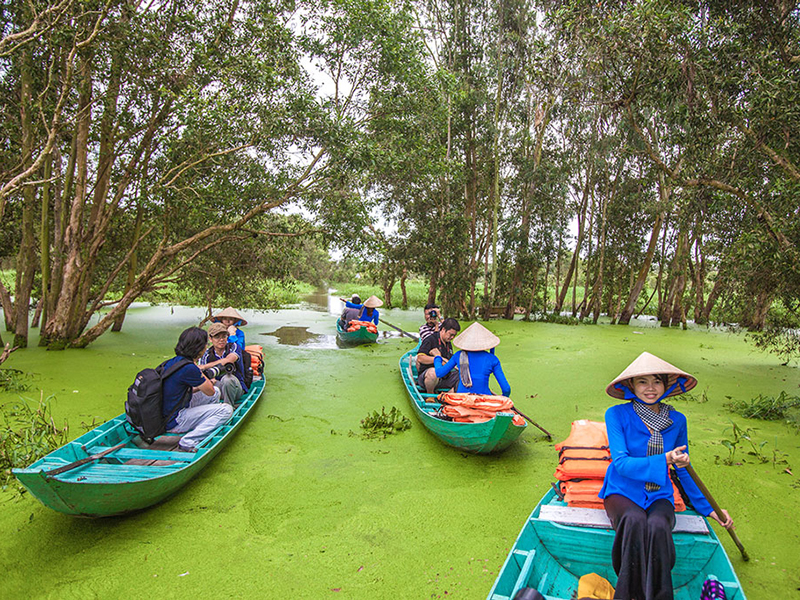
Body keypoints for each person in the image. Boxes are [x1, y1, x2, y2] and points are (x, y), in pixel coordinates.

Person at [599, 352, 734, 600]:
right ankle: (628, 595)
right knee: (634, 520)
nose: (650, 388)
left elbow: (683, 469)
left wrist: (711, 510)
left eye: (657, 381)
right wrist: (666, 459)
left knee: (659, 525)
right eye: (642, 382)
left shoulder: (677, 420)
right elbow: (621, 464)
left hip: (658, 493)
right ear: (631, 385)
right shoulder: (616, 415)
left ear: (666, 385)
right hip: (622, 490)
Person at [162, 327, 233, 452]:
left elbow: (183, 389)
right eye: (205, 344)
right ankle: (188, 440)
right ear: (199, 347)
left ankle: (204, 424)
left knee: (217, 393)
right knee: (226, 410)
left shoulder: (172, 362)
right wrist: (206, 379)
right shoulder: (189, 367)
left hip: (165, 413)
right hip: (174, 421)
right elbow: (209, 390)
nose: (206, 347)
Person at [433, 321, 511, 396]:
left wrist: (437, 358)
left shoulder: (459, 355)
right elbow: (506, 389)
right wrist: (503, 397)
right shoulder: (493, 359)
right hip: (484, 399)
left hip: (462, 398)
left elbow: (439, 373)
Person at [199, 322, 248, 405]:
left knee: (227, 379)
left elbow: (229, 360)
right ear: (211, 339)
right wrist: (210, 379)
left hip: (235, 388)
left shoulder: (234, 347)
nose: (221, 340)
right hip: (217, 387)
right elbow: (201, 374)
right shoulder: (207, 354)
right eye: (217, 337)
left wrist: (205, 366)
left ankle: (228, 407)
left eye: (224, 336)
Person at [416, 318, 461, 393]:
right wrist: (438, 359)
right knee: (433, 372)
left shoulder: (448, 343)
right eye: (451, 334)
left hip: (444, 377)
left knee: (463, 375)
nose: (452, 337)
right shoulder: (430, 339)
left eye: (454, 335)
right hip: (428, 378)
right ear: (443, 329)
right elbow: (420, 358)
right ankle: (430, 394)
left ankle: (449, 396)